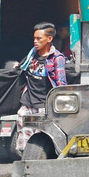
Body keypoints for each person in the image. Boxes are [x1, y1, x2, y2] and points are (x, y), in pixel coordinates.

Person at [15, 22, 68, 154]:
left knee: (41, 141)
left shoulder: (57, 58)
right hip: (28, 102)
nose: (35, 42)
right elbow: (21, 69)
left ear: (49, 39)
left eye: (39, 39)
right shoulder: (31, 54)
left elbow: (61, 83)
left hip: (44, 105)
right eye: (34, 38)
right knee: (24, 141)